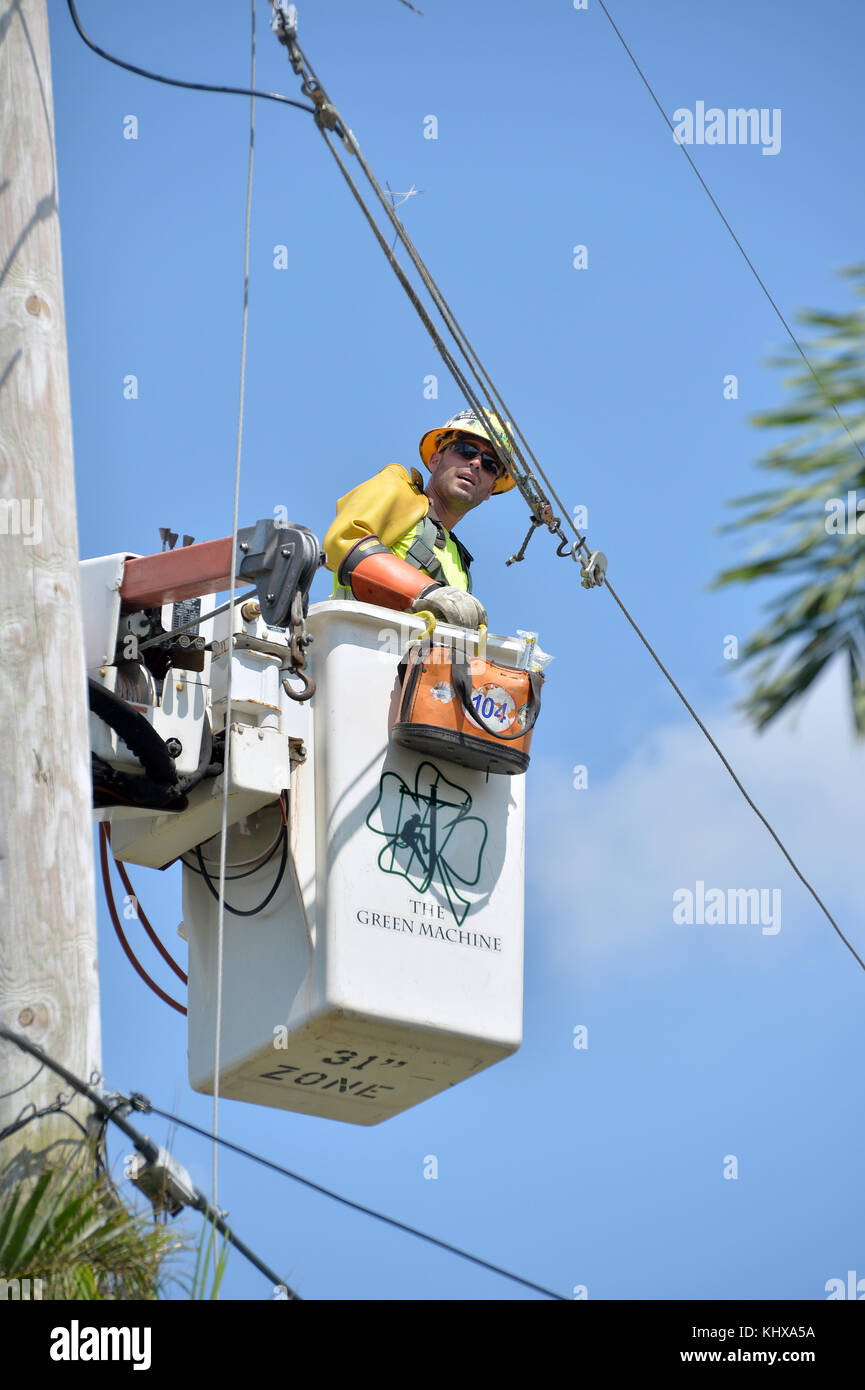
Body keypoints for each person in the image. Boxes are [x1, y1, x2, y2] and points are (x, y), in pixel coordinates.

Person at [323, 408, 515, 629]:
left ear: (491, 490)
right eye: (466, 450)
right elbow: (341, 544)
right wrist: (428, 592)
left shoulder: (460, 566)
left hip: (412, 661)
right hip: (359, 649)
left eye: (491, 463)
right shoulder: (397, 488)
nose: (476, 463)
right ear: (435, 459)